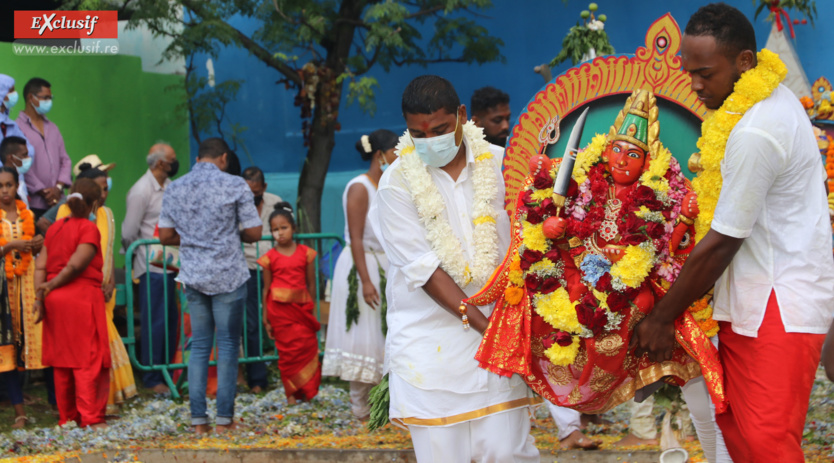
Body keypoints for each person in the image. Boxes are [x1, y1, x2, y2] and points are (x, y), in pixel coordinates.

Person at [631, 4, 834, 463]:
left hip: (778, 306)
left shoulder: (758, 130)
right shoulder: (760, 106)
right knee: (740, 440)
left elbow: (724, 238)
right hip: (749, 305)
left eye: (705, 73)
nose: (696, 86)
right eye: (690, 73)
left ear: (745, 62)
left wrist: (661, 318)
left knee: (766, 446)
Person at [370, 75, 539, 462]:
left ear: (463, 116)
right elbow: (424, 270)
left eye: (441, 130)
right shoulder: (396, 184)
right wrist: (488, 329)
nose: (430, 141)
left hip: (500, 345)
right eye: (418, 134)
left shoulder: (503, 166)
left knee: (506, 453)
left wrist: (510, 330)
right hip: (430, 348)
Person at [471, 86, 599, 450]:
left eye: (508, 117)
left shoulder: (519, 156)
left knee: (549, 343)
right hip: (488, 271)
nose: (505, 124)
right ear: (474, 120)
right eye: (497, 119)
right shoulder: (478, 162)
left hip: (529, 267)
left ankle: (569, 426)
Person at [158, 137, 262, 433]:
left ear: (199, 157)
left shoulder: (175, 187)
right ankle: (224, 421)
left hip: (193, 275)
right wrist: (229, 236)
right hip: (228, 275)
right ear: (224, 158)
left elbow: (165, 236)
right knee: (228, 346)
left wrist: (193, 240)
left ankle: (198, 421)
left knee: (200, 346)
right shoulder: (235, 185)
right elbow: (254, 232)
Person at [322, 129, 397, 419]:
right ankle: (360, 409)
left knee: (384, 334)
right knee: (362, 334)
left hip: (385, 265)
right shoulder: (359, 186)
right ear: (380, 155)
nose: (400, 157)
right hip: (361, 265)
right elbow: (355, 237)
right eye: (395, 151)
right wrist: (366, 281)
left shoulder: (389, 186)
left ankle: (384, 406)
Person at [52, 163, 136, 416]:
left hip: (101, 289)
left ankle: (98, 405)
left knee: (94, 349)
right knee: (86, 353)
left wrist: (109, 281)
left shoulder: (107, 214)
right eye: (100, 187)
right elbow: (65, 254)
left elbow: (107, 251)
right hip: (78, 291)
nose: (105, 192)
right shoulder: (65, 214)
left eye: (106, 187)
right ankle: (86, 411)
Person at [34, 179, 110, 429]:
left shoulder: (54, 228)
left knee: (62, 362)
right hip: (80, 300)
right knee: (86, 360)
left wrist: (41, 295)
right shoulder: (89, 229)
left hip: (56, 301)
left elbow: (41, 265)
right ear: (95, 203)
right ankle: (90, 418)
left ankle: (67, 418)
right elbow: (76, 265)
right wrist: (51, 287)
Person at [122, 143, 179, 394]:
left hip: (171, 265)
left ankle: (167, 370)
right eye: (172, 159)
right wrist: (141, 254)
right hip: (151, 266)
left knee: (170, 321)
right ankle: (153, 376)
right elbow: (128, 232)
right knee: (154, 322)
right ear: (159, 163)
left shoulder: (169, 187)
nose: (175, 163)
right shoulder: (141, 191)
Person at [258, 202, 321, 404]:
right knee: (286, 354)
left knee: (307, 348)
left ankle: (309, 391)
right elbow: (266, 289)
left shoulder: (306, 253)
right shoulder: (268, 258)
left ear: (294, 228)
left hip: (302, 311)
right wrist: (265, 316)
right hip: (279, 312)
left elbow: (311, 284)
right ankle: (291, 394)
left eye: (284, 228)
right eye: (275, 230)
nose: (280, 233)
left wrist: (310, 309)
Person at [0, 165, 42, 428]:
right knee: (7, 349)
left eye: (9, 185)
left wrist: (37, 243)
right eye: (0, 186)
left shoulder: (28, 214)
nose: (4, 191)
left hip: (27, 286)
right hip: (3, 291)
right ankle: (19, 412)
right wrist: (11, 246)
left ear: (17, 186)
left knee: (38, 340)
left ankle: (54, 404)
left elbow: (38, 242)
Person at [240, 166, 282, 393]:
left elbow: (287, 230)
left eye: (255, 193)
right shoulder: (236, 205)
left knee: (283, 320)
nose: (251, 198)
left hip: (275, 268)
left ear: (264, 188)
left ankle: (289, 373)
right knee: (251, 324)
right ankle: (257, 379)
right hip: (247, 269)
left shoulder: (276, 202)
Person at [16, 78, 72, 218]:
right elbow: (21, 164)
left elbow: (65, 160)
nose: (49, 102)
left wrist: (58, 188)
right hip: (34, 203)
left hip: (58, 202)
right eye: (45, 98)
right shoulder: (17, 128)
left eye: (50, 98)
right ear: (31, 98)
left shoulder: (52, 128)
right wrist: (44, 191)